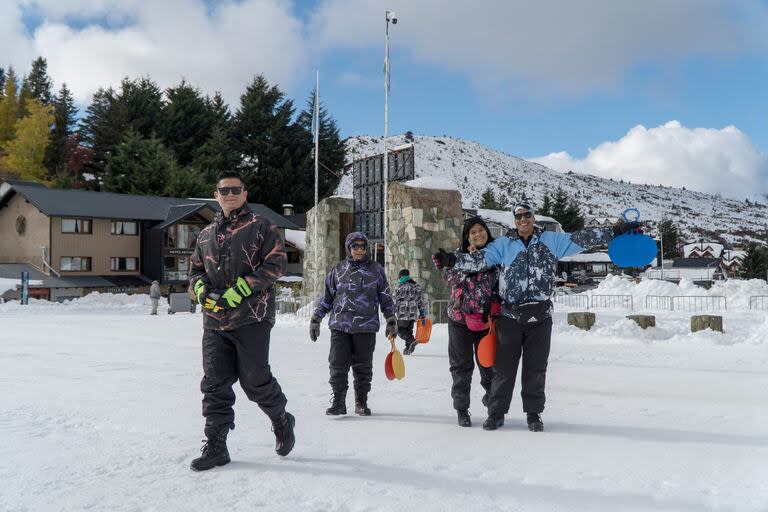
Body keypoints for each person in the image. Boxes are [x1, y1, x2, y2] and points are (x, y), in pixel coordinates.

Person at [434, 203, 629, 432]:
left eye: (527, 215)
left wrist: (616, 230)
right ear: (514, 220)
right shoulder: (503, 244)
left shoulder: (551, 241)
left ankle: (534, 414)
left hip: (540, 315)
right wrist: (452, 261)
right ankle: (496, 413)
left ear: (533, 217)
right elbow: (479, 260)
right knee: (503, 370)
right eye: (518, 217)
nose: (523, 220)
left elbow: (582, 238)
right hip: (509, 316)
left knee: (535, 368)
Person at [187, 170, 294, 471]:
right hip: (214, 320)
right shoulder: (206, 234)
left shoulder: (262, 226)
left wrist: (242, 289)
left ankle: (281, 419)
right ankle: (217, 446)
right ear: (216, 195)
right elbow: (195, 270)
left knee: (255, 381)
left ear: (245, 194)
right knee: (214, 383)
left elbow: (277, 263)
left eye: (236, 189)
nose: (231, 194)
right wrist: (199, 288)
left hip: (252, 317)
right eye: (225, 190)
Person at [309, 232, 397, 417]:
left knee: (363, 366)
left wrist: (391, 319)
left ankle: (361, 402)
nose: (359, 249)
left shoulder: (376, 269)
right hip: (340, 325)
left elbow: (385, 296)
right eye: (355, 246)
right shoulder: (338, 269)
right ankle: (339, 402)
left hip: (366, 326)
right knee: (337, 364)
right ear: (348, 248)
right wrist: (316, 318)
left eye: (363, 246)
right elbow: (327, 297)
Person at [433, 216, 499, 427]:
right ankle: (462, 409)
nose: (478, 234)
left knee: (489, 367)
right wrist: (464, 261)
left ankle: (493, 405)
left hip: (486, 320)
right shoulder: (457, 257)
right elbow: (451, 280)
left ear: (487, 232)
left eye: (481, 230)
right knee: (461, 367)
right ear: (467, 236)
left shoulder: (496, 256)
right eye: (472, 232)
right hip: (460, 320)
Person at [393, 268, 427, 355]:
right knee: (408, 331)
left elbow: (395, 300)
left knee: (400, 330)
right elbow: (420, 301)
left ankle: (411, 340)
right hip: (412, 314)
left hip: (402, 314)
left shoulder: (400, 286)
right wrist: (422, 313)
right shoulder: (416, 286)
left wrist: (391, 312)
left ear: (400, 276)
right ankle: (408, 348)